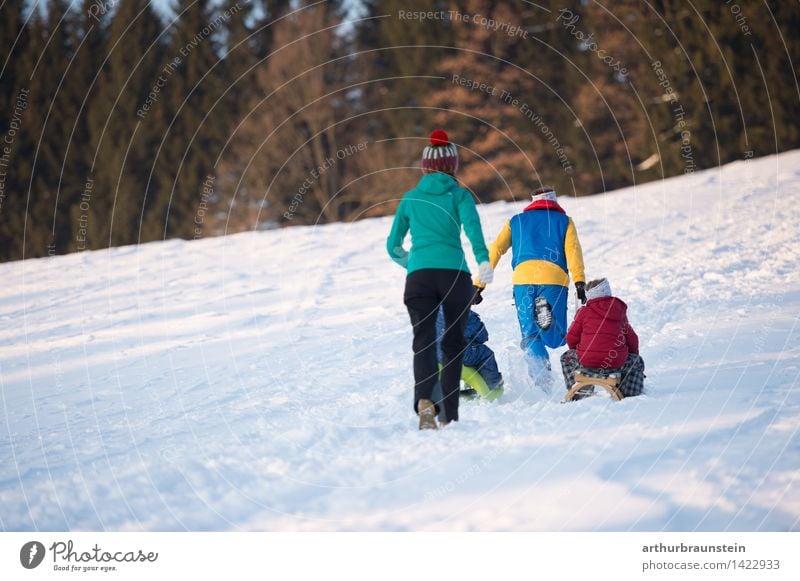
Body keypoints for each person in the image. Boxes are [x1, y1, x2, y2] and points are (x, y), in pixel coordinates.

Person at [387, 129, 493, 430]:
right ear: (452, 166)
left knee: (423, 343)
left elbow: (393, 245)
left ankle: (424, 401)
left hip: (419, 279)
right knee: (453, 343)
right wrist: (483, 260)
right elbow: (473, 230)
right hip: (454, 276)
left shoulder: (410, 199)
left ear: (425, 167)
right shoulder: (459, 195)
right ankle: (448, 412)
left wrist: (414, 264)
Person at [476, 185, 586, 387]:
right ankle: (548, 324)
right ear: (554, 201)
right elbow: (573, 251)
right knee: (556, 338)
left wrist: (479, 284)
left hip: (523, 279)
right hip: (553, 278)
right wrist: (579, 281)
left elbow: (496, 249)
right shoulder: (564, 221)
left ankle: (542, 381)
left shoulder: (516, 221)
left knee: (530, 333)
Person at [560, 278, 645, 398]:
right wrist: (629, 355)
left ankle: (578, 392)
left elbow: (571, 337)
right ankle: (630, 393)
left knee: (566, 357)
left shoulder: (583, 312)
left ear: (589, 295)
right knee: (637, 361)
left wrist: (581, 350)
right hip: (615, 363)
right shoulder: (618, 312)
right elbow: (632, 339)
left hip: (587, 362)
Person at [435, 287, 504, 393]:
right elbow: (482, 335)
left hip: (438, 355)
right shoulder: (468, 315)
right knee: (484, 354)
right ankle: (493, 384)